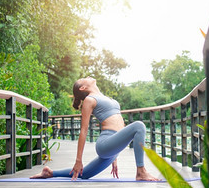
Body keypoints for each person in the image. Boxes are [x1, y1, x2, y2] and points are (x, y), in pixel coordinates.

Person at [30, 76, 160, 181]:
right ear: (83, 87)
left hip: (113, 147)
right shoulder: (89, 100)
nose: (87, 76)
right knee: (139, 126)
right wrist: (78, 160)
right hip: (105, 143)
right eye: (83, 78)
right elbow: (84, 130)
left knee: (84, 174)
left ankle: (50, 173)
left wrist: (114, 156)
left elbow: (118, 125)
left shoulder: (106, 98)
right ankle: (141, 171)